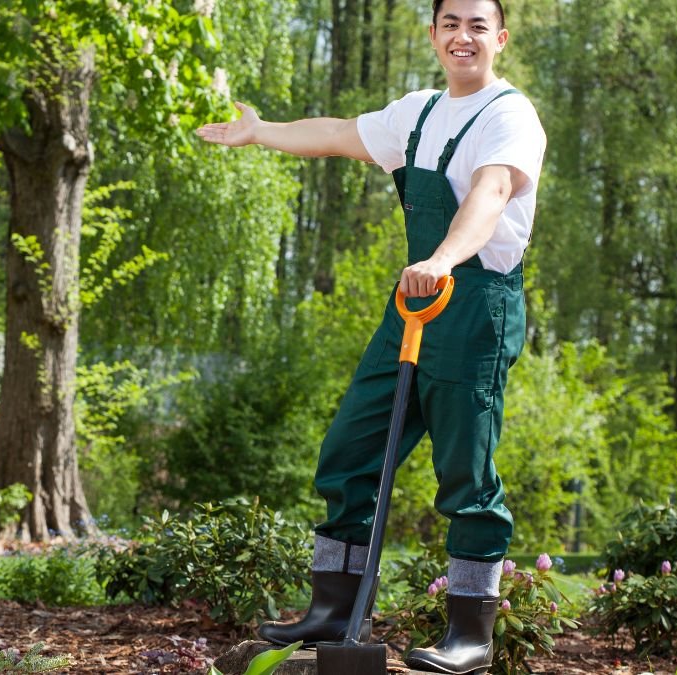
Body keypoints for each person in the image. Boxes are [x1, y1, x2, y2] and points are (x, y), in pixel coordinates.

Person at [196, 0, 545, 672]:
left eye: (477, 25)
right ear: (434, 34)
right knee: (349, 449)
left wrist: (442, 259)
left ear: (498, 38)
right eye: (451, 24)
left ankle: (471, 631)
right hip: (413, 304)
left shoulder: (509, 116)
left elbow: (492, 191)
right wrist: (262, 130)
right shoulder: (416, 112)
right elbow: (336, 133)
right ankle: (334, 607)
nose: (462, 36)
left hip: (473, 308)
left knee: (465, 473)